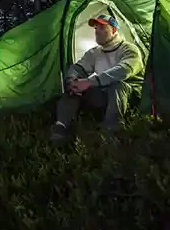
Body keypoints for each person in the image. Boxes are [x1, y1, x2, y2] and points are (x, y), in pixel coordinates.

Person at [49, 13, 144, 143]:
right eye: (95, 29)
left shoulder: (129, 49)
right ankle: (60, 127)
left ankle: (112, 129)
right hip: (104, 95)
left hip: (129, 96)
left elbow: (125, 70)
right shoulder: (95, 53)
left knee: (118, 85)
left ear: (114, 30)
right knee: (75, 87)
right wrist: (72, 80)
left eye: (102, 28)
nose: (97, 32)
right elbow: (77, 68)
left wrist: (90, 82)